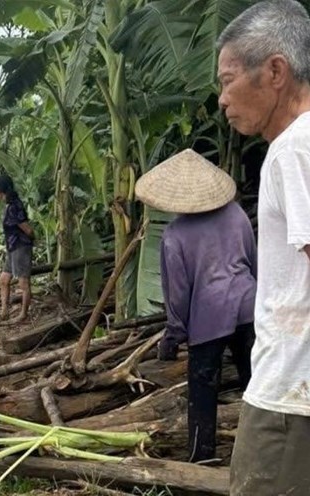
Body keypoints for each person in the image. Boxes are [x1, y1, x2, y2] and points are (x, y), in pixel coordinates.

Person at [216, 1, 310, 493]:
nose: (222, 99)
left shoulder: (294, 148)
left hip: (288, 399)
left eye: (228, 79)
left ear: (275, 71)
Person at [135, 149, 257, 463]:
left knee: (203, 391)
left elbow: (177, 294)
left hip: (209, 319)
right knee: (256, 384)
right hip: (249, 306)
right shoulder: (236, 214)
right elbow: (253, 261)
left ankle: (202, 458)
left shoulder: (175, 235)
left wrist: (173, 336)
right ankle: (261, 452)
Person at [0, 174, 34, 322]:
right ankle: (4, 311)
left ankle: (23, 314)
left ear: (1, 190)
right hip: (12, 247)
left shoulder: (14, 206)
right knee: (4, 279)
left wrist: (32, 238)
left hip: (20, 246)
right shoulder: (9, 205)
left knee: (23, 283)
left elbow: (27, 229)